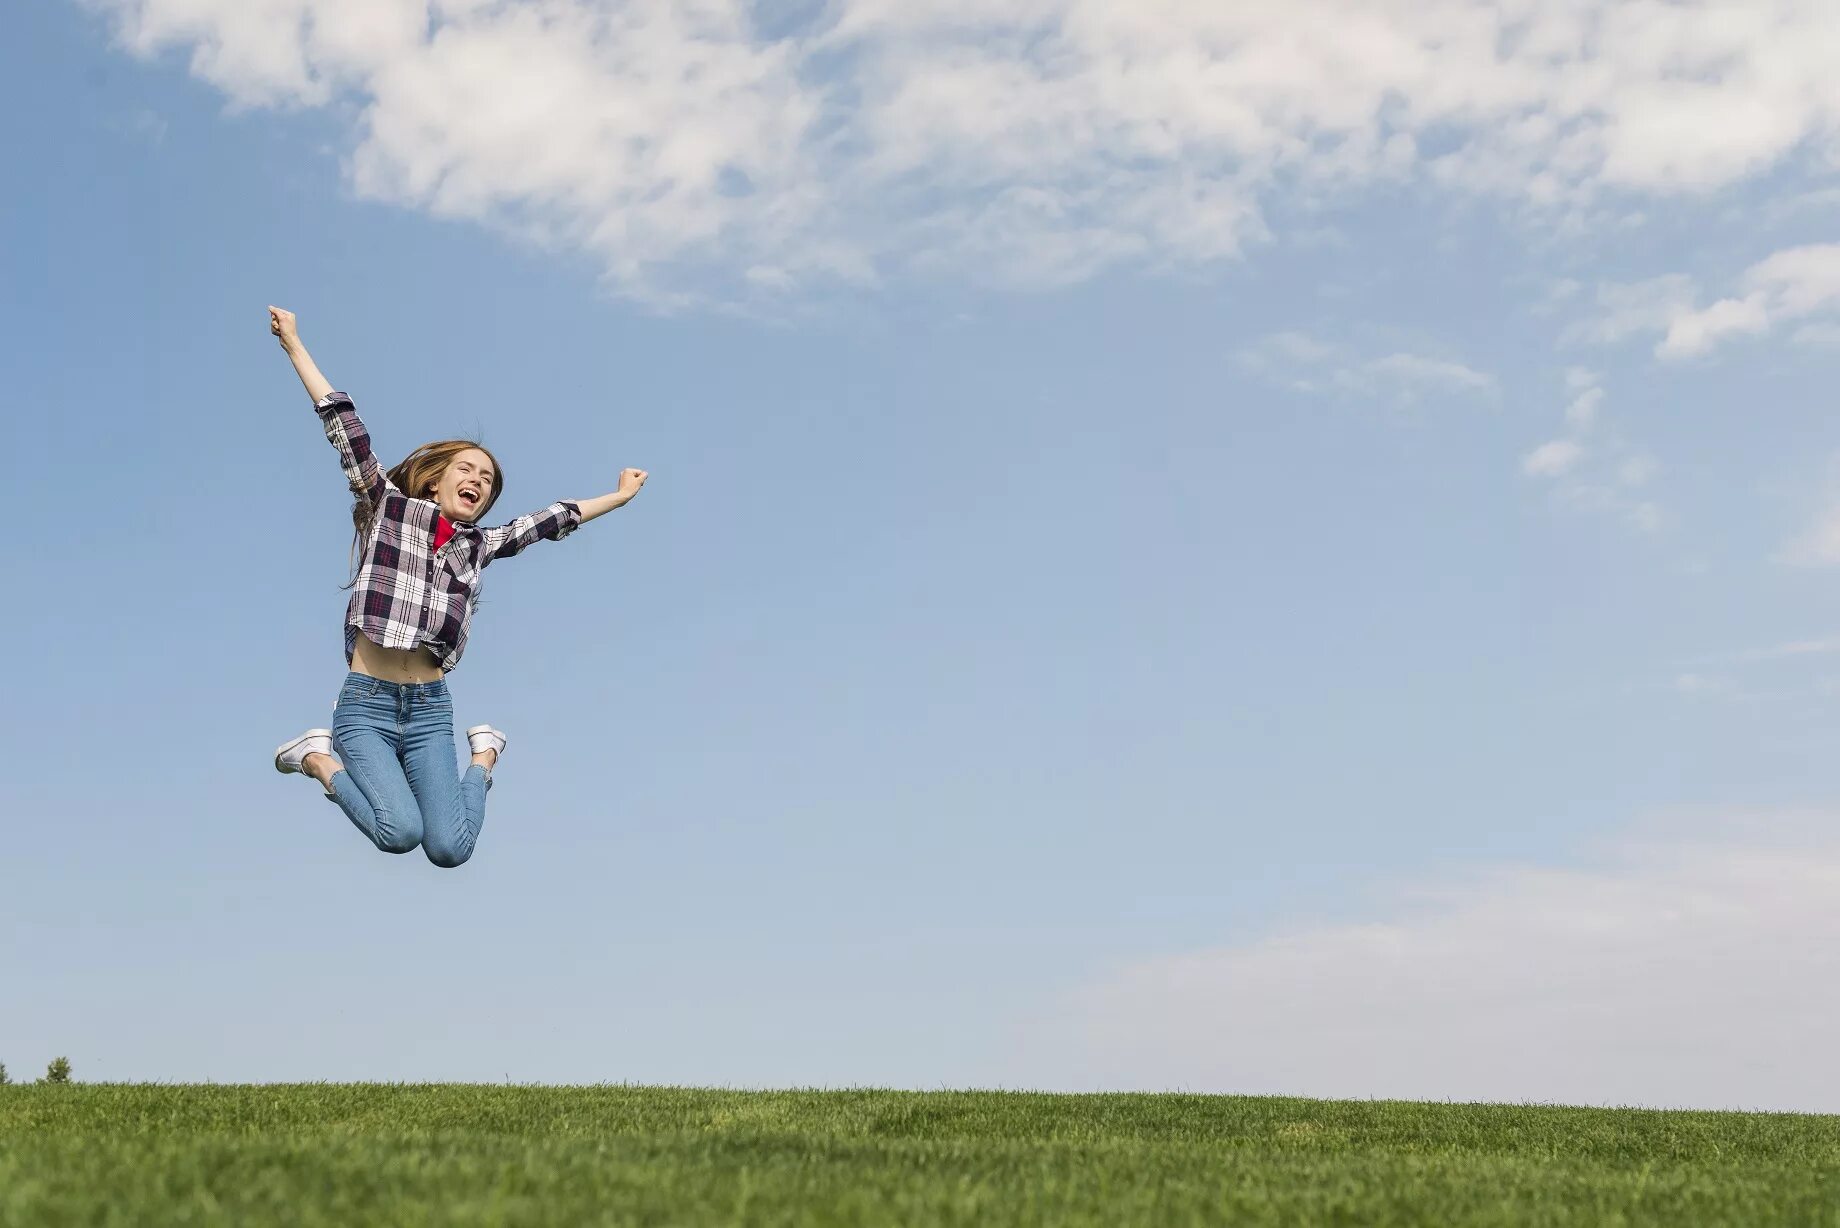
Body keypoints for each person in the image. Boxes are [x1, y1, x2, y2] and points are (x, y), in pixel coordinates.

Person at [268, 306, 648, 867]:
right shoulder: (388, 508)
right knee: (399, 832)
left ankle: (485, 757)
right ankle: (318, 760)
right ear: (438, 476)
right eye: (467, 470)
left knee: (448, 848)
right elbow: (344, 428)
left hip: (429, 709)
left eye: (487, 480)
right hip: (366, 707)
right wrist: (296, 345)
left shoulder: (479, 545)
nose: (477, 481)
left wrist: (616, 498)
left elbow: (549, 520)